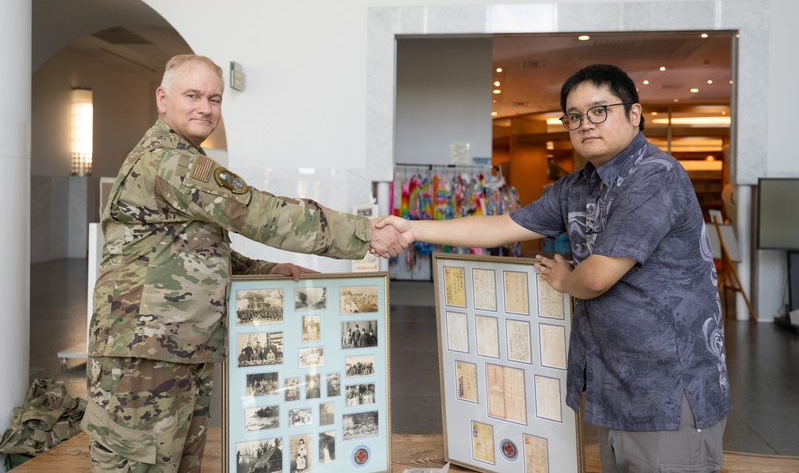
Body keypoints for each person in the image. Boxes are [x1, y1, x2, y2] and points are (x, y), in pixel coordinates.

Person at [376, 64, 731, 472]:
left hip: (671, 387)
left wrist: (564, 279)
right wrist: (411, 228)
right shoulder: (577, 186)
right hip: (617, 384)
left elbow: (597, 276)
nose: (585, 124)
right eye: (574, 117)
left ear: (634, 114)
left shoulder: (655, 175)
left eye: (599, 111)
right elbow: (504, 225)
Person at [81, 54, 406, 472]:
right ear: (162, 99)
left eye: (215, 99)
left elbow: (197, 256)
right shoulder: (170, 161)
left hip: (174, 353)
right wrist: (365, 234)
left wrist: (270, 271)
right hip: (144, 361)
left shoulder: (177, 156)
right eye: (193, 95)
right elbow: (259, 212)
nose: (206, 108)